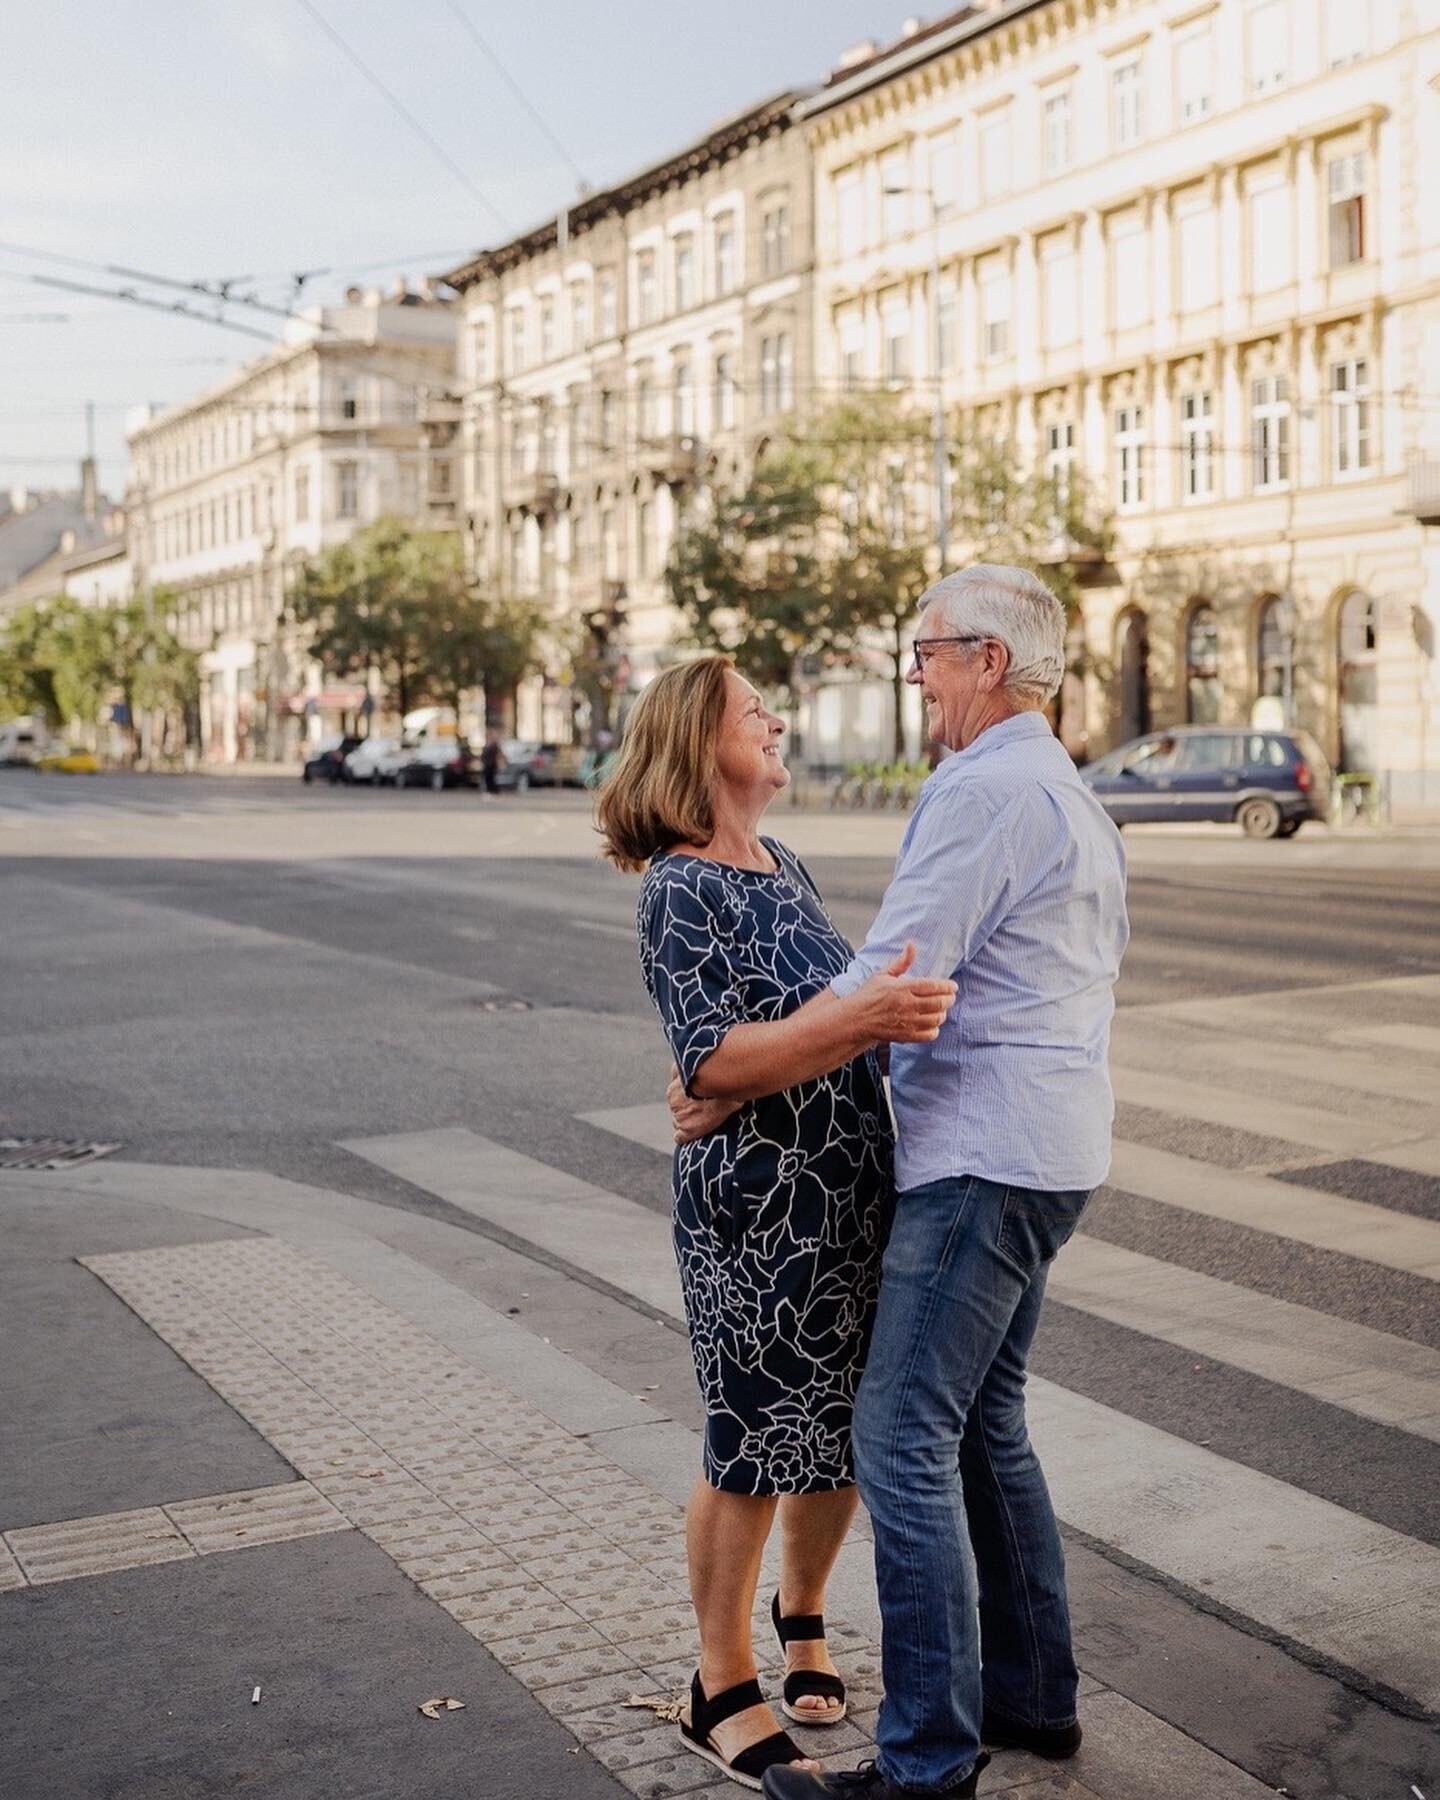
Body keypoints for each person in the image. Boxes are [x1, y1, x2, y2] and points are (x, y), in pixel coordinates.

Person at [685, 566, 1127, 1800]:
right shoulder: (1067, 790)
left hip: (982, 1158)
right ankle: (1033, 1700)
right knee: (987, 1426)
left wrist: (733, 1078)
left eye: (926, 653)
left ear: (988, 660)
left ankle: (927, 1763)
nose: (916, 673)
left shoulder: (984, 790)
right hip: (1052, 1148)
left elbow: (896, 979)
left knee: (900, 1436)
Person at [596, 655, 957, 1792]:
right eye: (759, 710)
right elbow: (714, 1054)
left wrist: (868, 1013)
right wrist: (863, 1020)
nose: (780, 720)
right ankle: (721, 1681)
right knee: (751, 1438)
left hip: (845, 1198)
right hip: (758, 1213)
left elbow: (806, 1014)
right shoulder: (681, 884)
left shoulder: (780, 864)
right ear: (701, 740)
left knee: (837, 1426)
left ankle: (803, 1618)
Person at [480, 728, 505, 795]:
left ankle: (493, 791)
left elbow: (498, 755)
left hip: (491, 765)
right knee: (488, 778)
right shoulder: (489, 744)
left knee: (491, 778)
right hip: (488, 764)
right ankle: (491, 790)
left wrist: (499, 763)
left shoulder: (495, 745)